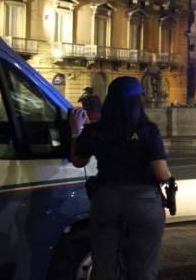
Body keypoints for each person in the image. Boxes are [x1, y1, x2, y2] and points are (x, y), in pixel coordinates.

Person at [69, 77, 172, 280]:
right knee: (143, 267)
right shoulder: (148, 131)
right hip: (143, 201)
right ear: (138, 100)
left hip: (106, 198)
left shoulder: (95, 129)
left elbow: (78, 161)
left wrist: (75, 131)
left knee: (104, 264)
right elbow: (162, 174)